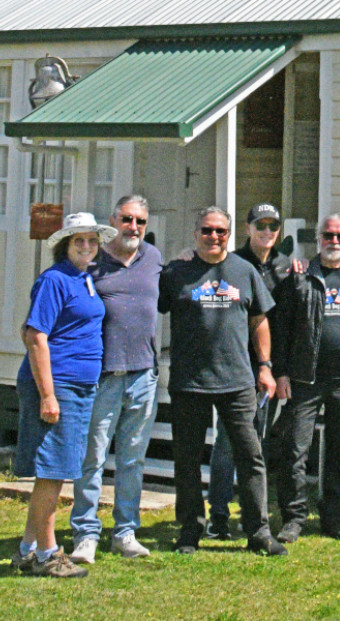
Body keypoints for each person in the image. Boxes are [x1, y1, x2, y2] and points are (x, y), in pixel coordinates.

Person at [158, 206, 285, 556]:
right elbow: (152, 307)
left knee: (250, 457)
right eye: (207, 230)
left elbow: (259, 320)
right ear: (196, 232)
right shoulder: (175, 272)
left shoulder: (244, 271)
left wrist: (265, 366)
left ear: (230, 234)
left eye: (221, 231)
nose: (214, 237)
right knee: (187, 459)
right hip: (189, 382)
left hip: (237, 380)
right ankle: (189, 531)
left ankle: (258, 532)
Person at [12, 212, 116, 578]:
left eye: (92, 240)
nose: (87, 247)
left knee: (59, 469)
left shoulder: (84, 278)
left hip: (80, 386)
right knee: (54, 471)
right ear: (64, 245)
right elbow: (36, 336)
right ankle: (47, 554)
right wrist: (48, 395)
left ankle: (26, 550)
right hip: (60, 386)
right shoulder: (54, 280)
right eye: (78, 241)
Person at [272, 213, 340, 541]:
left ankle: (332, 517)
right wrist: (282, 372)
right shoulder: (301, 276)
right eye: (328, 236)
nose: (334, 242)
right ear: (318, 239)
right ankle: (293, 518)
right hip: (306, 380)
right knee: (294, 449)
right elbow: (281, 328)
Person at [69, 196, 161, 565]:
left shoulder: (153, 258)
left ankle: (125, 532)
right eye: (127, 219)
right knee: (92, 459)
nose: (133, 227)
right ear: (113, 220)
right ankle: (86, 534)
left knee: (132, 460)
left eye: (140, 221)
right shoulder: (92, 262)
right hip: (103, 377)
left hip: (144, 375)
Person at [205, 203, 292, 540]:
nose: (267, 232)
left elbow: (284, 324)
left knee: (256, 446)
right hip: (235, 369)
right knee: (227, 445)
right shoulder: (233, 264)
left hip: (268, 372)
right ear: (247, 228)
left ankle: (252, 516)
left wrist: (275, 369)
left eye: (273, 226)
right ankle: (219, 516)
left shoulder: (288, 269)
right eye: (260, 225)